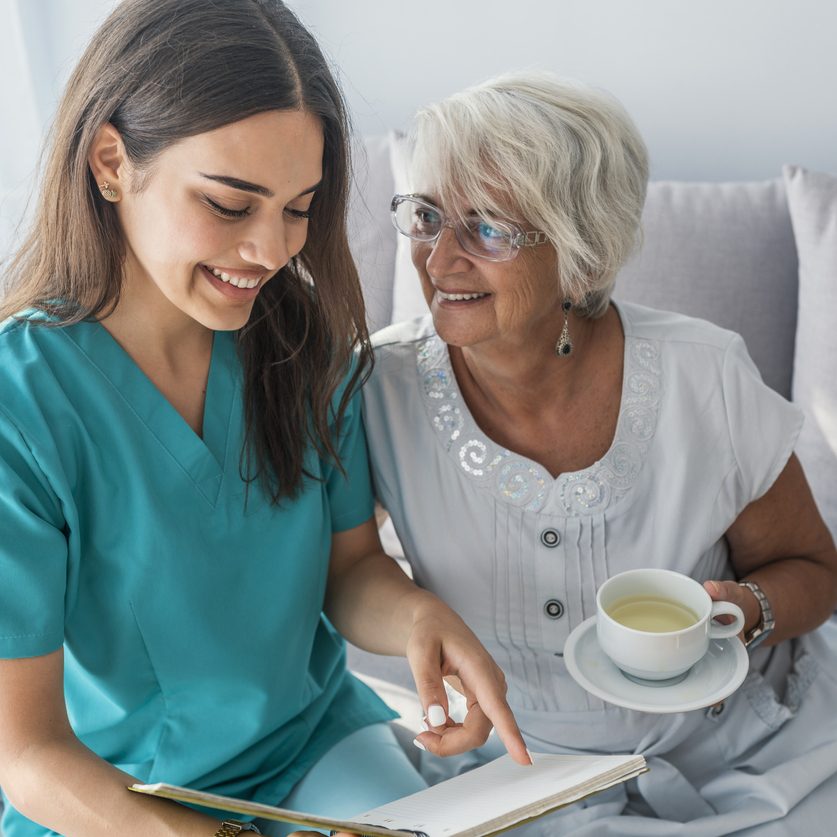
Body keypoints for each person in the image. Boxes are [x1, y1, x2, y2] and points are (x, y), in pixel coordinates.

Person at [0, 4, 532, 837]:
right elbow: (24, 751)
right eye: (228, 204)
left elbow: (349, 569)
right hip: (121, 799)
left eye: (298, 208)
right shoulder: (20, 402)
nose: (270, 250)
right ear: (111, 162)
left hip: (312, 744)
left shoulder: (299, 334)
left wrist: (422, 619)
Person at [362, 71, 837, 834]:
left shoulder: (703, 374)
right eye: (426, 217)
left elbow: (814, 571)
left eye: (485, 228)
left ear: (578, 252)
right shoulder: (375, 388)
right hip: (503, 768)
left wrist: (745, 612)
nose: (438, 259)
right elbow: (341, 565)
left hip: (743, 753)